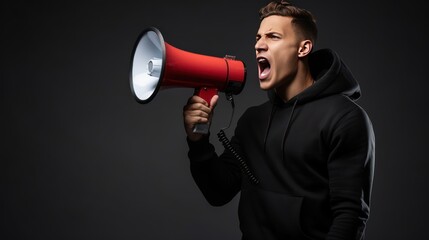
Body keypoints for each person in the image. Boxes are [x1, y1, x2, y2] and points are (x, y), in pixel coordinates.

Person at [183, 1, 375, 239]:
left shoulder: (345, 118)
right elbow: (218, 192)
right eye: (258, 38)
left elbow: (350, 216)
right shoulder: (252, 120)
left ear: (303, 48)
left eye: (273, 37)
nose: (258, 45)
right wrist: (198, 140)